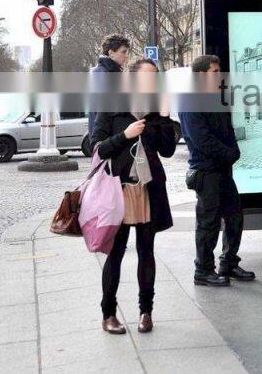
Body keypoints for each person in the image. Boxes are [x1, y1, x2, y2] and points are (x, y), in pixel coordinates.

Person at [91, 58, 177, 335]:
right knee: (115, 254)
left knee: (146, 252)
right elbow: (96, 148)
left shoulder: (155, 110)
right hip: (118, 191)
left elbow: (168, 151)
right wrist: (125, 135)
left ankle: (145, 312)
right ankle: (108, 314)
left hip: (148, 190)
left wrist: (164, 117)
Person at [179, 54, 255, 287]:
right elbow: (202, 140)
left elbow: (228, 130)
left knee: (234, 218)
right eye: (214, 72)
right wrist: (229, 154)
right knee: (208, 223)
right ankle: (203, 270)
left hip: (223, 170)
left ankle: (228, 263)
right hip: (206, 171)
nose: (219, 75)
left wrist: (234, 151)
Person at [88, 34, 131, 138]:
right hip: (107, 137)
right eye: (123, 52)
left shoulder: (110, 72)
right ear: (111, 53)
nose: (126, 55)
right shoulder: (101, 74)